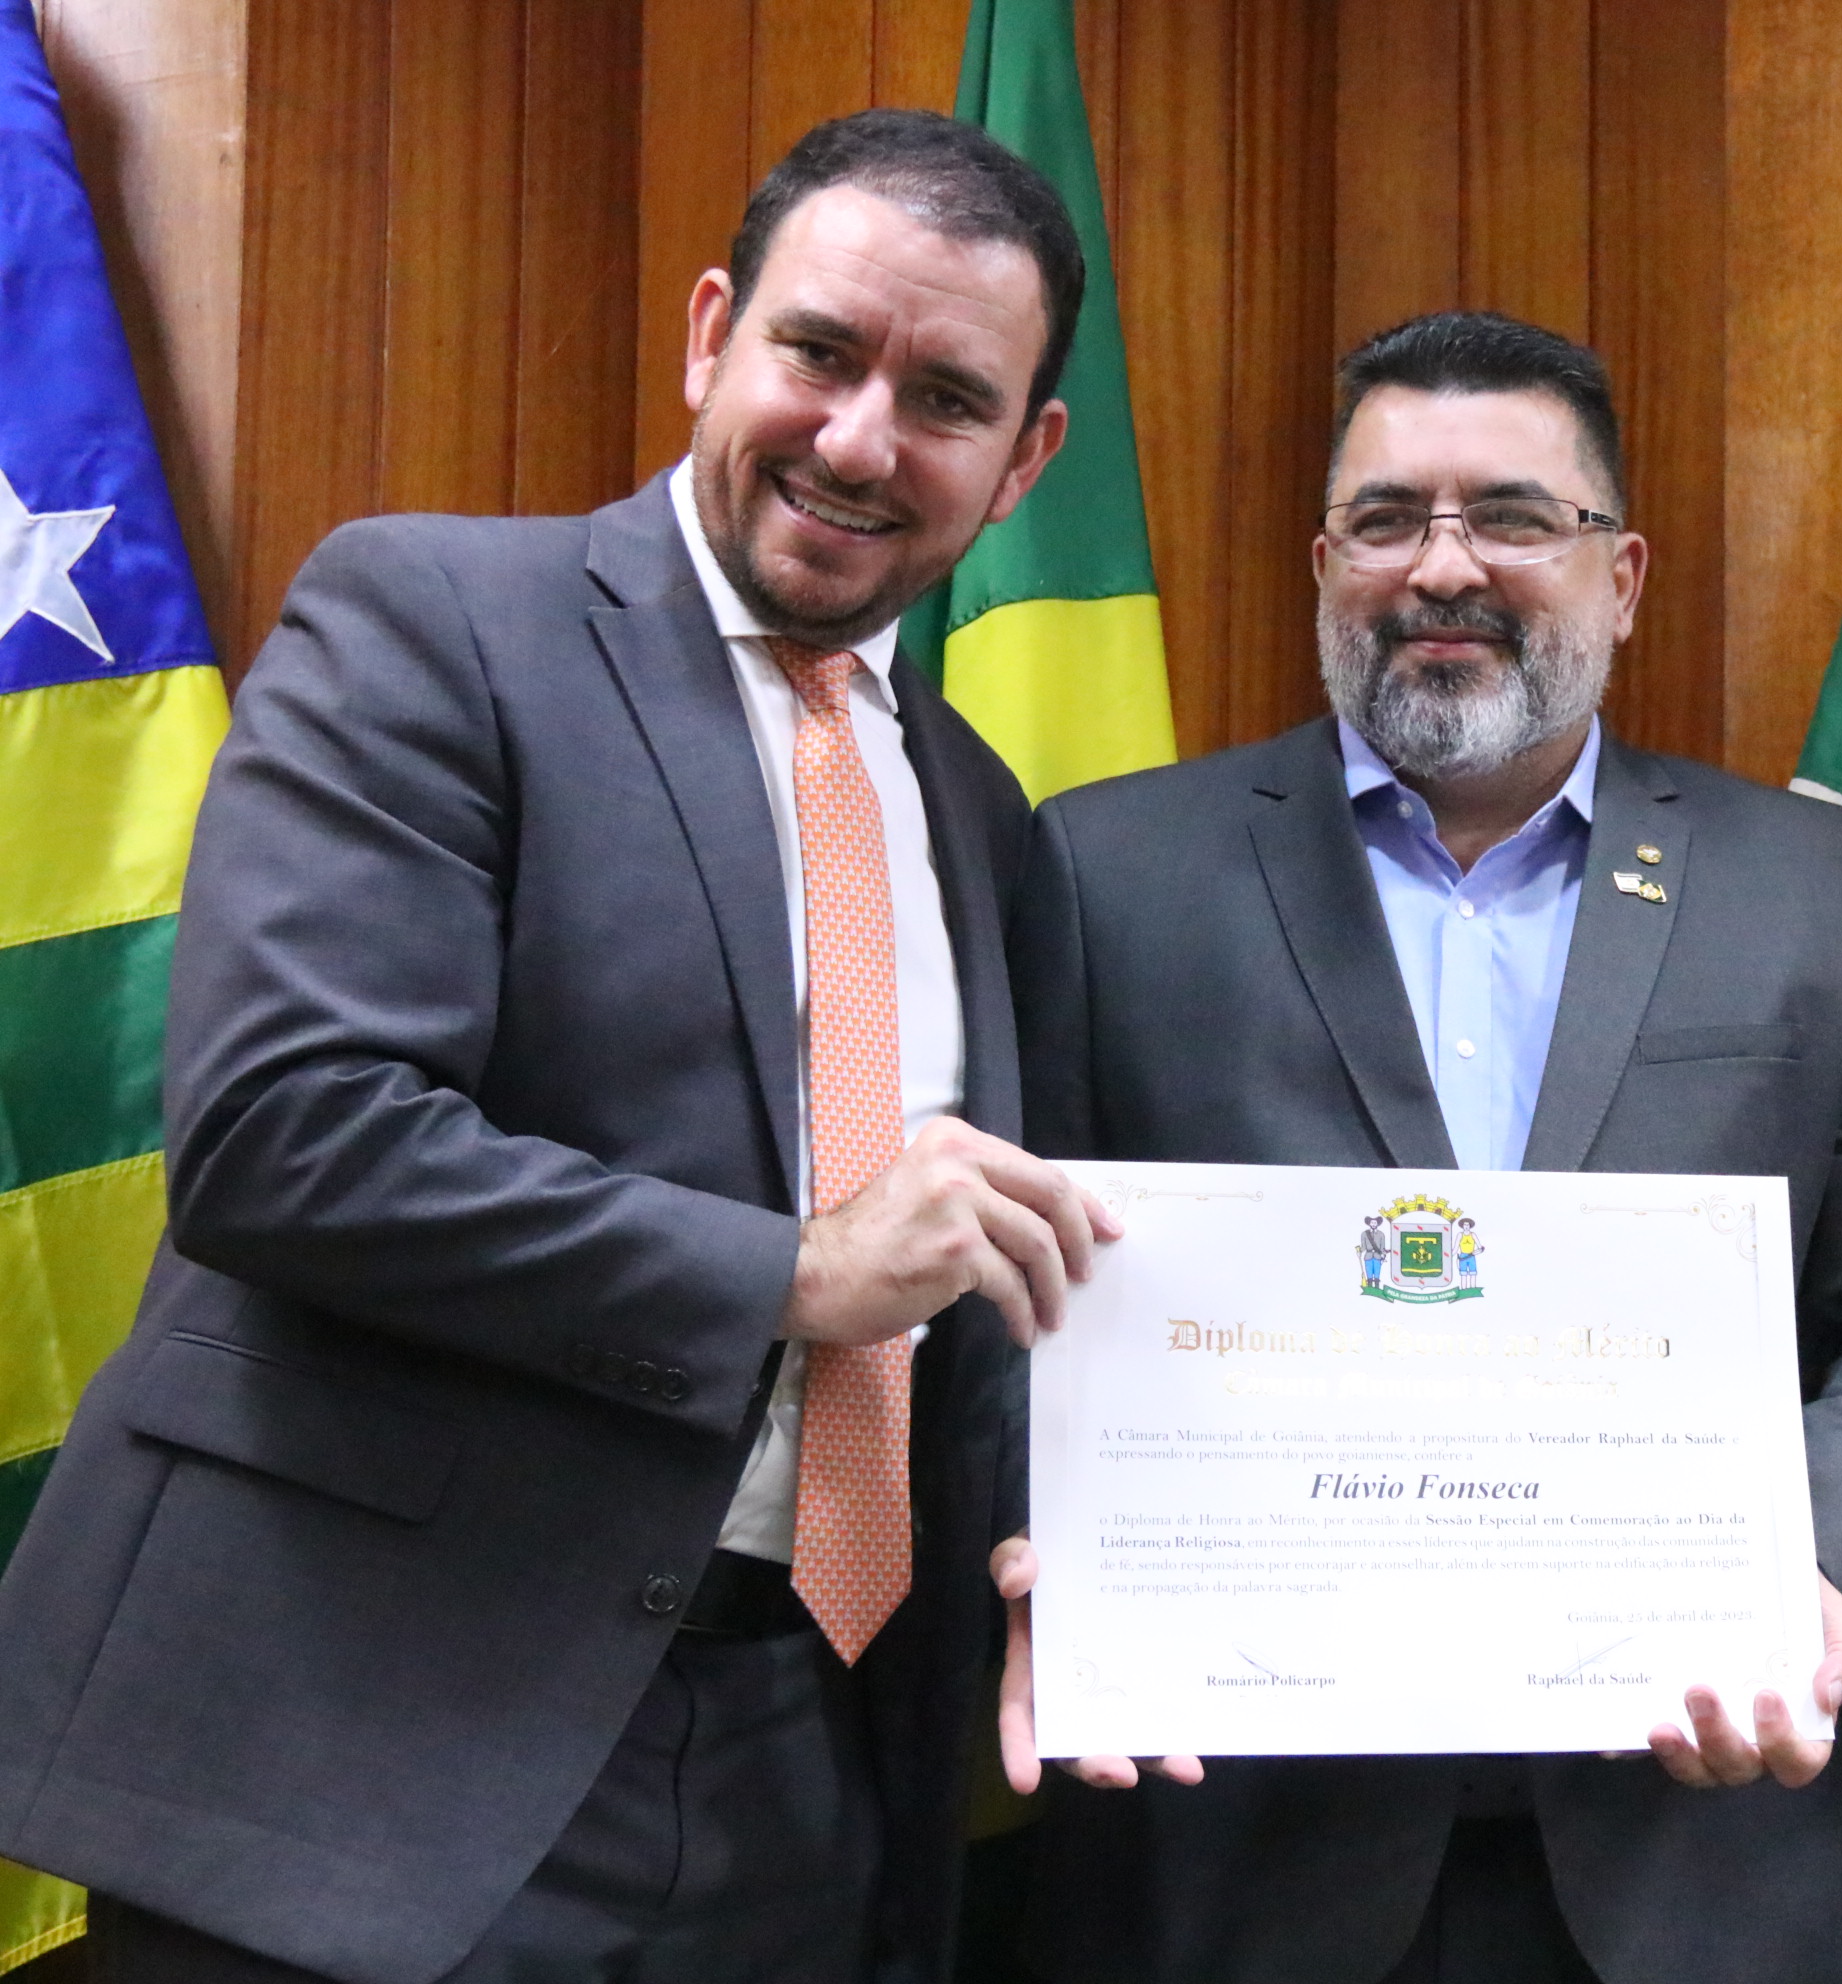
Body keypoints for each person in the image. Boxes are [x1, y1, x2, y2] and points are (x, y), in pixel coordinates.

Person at [0, 110, 1115, 1982]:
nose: (860, 441)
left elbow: (983, 1301)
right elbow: (289, 1136)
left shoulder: (982, 812)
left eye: (946, 399)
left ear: (1025, 462)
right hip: (361, 1750)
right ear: (711, 336)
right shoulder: (437, 619)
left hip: (808, 1765)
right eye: (819, 352)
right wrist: (799, 1272)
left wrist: (1066, 1560)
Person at [997, 310, 1842, 1984]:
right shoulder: (1113, 873)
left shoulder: (1804, 890)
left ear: (1624, 576)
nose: (1443, 567)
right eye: (1387, 519)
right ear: (1325, 566)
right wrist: (1053, 1545)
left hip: (1696, 1851)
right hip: (1236, 1853)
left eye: (1515, 518)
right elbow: (1007, 1304)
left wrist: (1794, 1567)